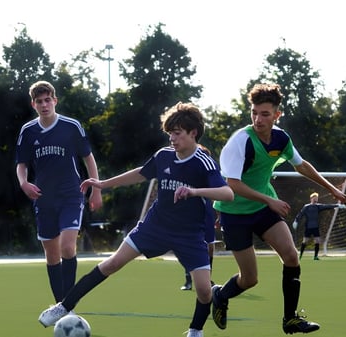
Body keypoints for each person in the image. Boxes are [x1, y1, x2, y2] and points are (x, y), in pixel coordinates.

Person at [38, 102, 234, 337]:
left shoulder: (204, 162)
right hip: (155, 226)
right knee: (112, 263)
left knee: (204, 291)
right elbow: (140, 173)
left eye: (177, 133)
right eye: (170, 132)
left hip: (189, 234)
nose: (172, 137)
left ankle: (195, 331)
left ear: (193, 133)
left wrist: (194, 192)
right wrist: (102, 184)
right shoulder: (164, 156)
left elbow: (227, 194)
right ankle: (64, 306)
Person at [211, 83, 346, 334]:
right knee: (250, 279)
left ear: (277, 115)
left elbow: (301, 165)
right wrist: (269, 200)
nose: (258, 119)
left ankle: (290, 319)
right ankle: (220, 295)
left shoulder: (281, 138)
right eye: (254, 112)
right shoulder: (241, 141)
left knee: (292, 256)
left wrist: (332, 189)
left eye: (264, 114)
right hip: (235, 213)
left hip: (263, 208)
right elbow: (232, 184)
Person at [15, 80, 103, 303]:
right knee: (52, 254)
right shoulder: (28, 131)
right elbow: (22, 164)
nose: (44, 105)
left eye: (48, 100)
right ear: (33, 104)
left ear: (55, 101)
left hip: (71, 195)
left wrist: (96, 189)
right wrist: (24, 183)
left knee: (67, 246)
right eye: (39, 101)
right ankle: (59, 305)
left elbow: (88, 158)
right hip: (44, 199)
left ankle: (68, 304)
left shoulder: (70, 126)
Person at [181, 145, 217, 291]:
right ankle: (188, 279)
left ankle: (207, 278)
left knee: (209, 246)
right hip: (188, 212)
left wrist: (219, 213)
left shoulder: (210, 172)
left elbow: (219, 192)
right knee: (186, 245)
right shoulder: (184, 171)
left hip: (206, 211)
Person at [293, 192, 346, 260]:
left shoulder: (318, 206)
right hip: (308, 227)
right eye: (315, 198)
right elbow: (300, 214)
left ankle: (315, 256)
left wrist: (338, 205)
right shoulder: (306, 207)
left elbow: (327, 206)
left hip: (315, 227)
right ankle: (300, 256)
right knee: (305, 241)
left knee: (317, 241)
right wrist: (296, 221)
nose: (316, 199)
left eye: (317, 198)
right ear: (311, 198)